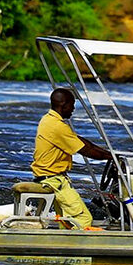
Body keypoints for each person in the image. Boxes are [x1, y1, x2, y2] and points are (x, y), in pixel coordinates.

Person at [31, 87, 112, 229]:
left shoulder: (48, 120)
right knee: (83, 219)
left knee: (66, 219)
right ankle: (78, 247)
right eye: (72, 104)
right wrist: (110, 157)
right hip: (55, 181)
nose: (73, 108)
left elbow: (82, 141)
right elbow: (86, 150)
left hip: (48, 177)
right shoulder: (57, 126)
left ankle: (63, 241)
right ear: (64, 104)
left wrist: (108, 154)